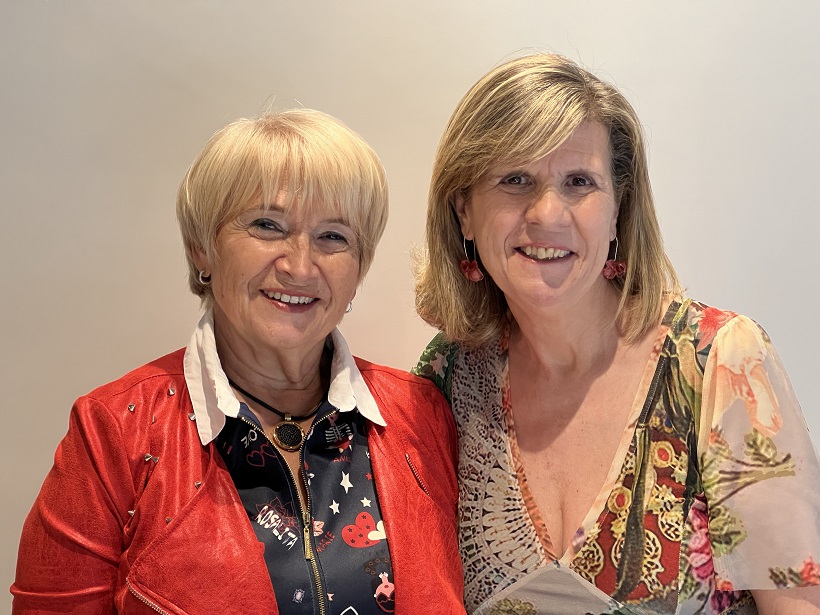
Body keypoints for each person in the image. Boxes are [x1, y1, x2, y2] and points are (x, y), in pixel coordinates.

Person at [13, 109, 464, 614]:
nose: (300, 266)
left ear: (358, 269)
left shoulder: (423, 415)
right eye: (268, 226)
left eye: (333, 236)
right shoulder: (114, 432)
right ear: (202, 250)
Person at [414, 53, 820, 614]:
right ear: (463, 210)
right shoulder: (448, 375)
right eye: (515, 180)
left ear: (618, 210)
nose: (547, 213)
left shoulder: (721, 363)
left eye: (579, 182)